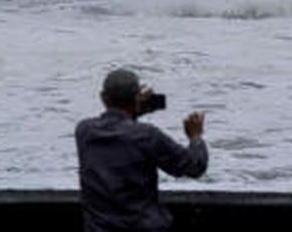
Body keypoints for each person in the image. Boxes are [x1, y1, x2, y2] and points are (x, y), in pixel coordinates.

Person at [75, 68, 208, 231]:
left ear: (103, 98)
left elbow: (120, 131)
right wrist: (195, 137)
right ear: (136, 98)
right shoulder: (147, 135)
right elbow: (194, 166)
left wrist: (134, 111)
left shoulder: (84, 131)